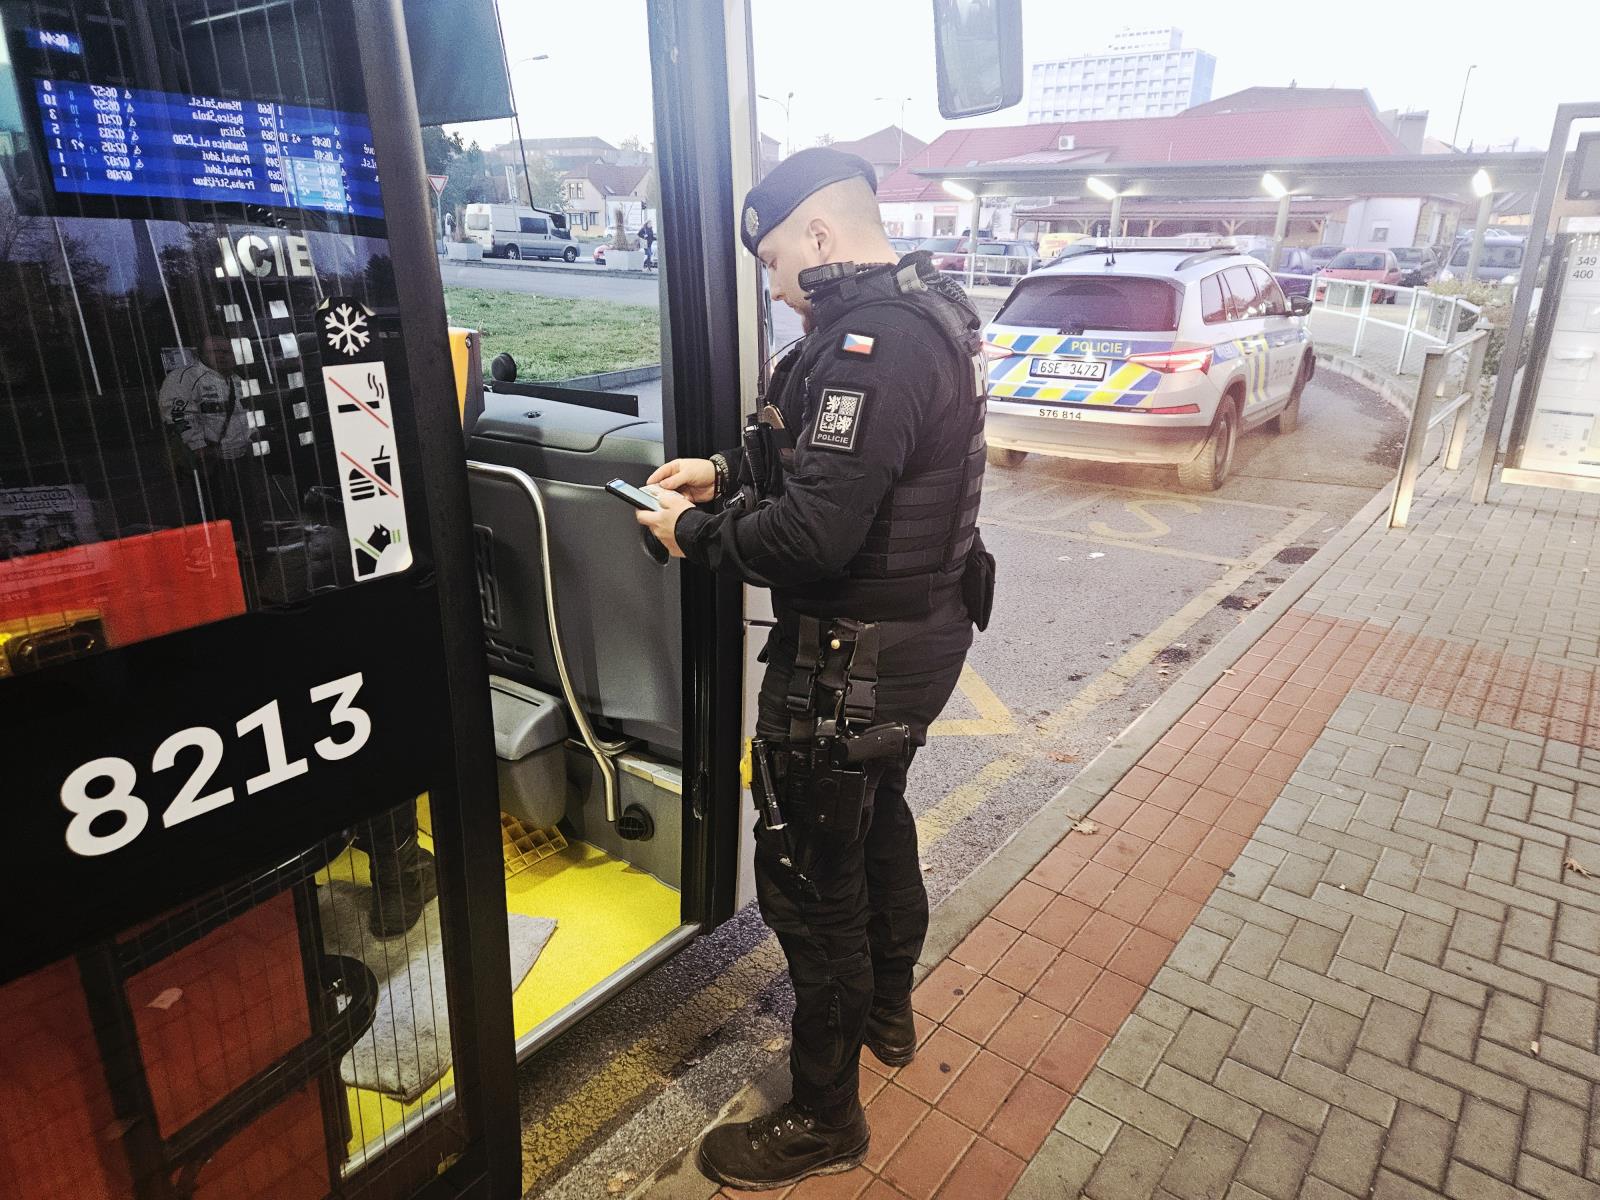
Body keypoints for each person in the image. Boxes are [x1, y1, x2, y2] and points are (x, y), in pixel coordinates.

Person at [634, 148, 996, 1190]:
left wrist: (692, 534)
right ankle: (888, 1010)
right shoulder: (927, 311)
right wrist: (724, 471)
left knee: (809, 882)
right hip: (914, 640)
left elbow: (809, 540)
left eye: (777, 257)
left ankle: (826, 1121)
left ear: (822, 237)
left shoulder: (870, 347)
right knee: (875, 822)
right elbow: (836, 463)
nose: (776, 279)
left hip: (849, 663)